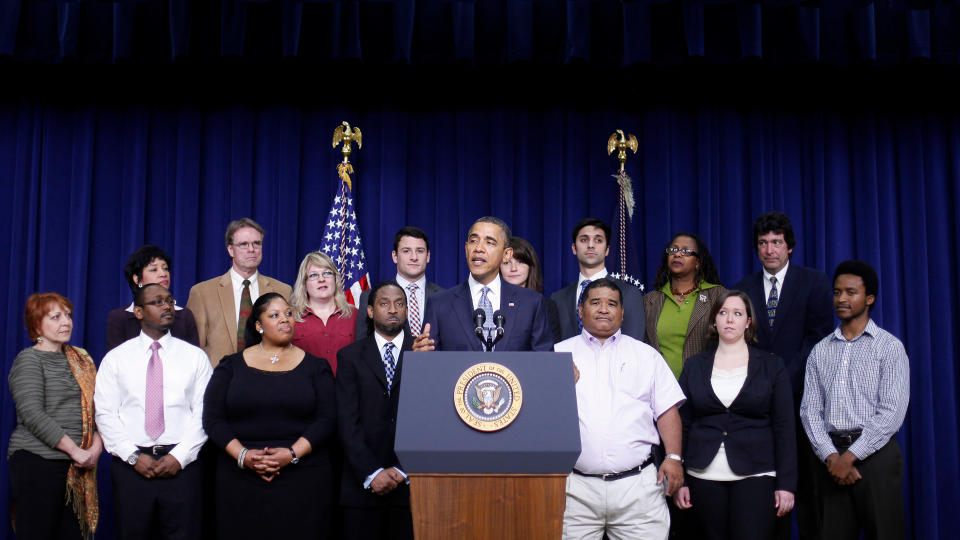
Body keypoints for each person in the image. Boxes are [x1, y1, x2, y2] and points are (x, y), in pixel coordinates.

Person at [555, 279, 685, 539]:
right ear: (580, 311)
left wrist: (673, 458)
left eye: (612, 303)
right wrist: (556, 382)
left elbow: (667, 411)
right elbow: (542, 418)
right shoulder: (558, 355)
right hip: (575, 488)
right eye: (595, 302)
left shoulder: (646, 356)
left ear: (622, 313)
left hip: (638, 490)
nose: (604, 309)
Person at [203, 292, 337, 540]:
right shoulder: (229, 366)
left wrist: (292, 454)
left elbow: (327, 419)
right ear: (258, 325)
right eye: (274, 315)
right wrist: (243, 455)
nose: (285, 319)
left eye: (288, 313)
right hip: (239, 480)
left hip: (303, 479)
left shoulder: (316, 367)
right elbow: (213, 419)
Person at [732, 211, 833, 539]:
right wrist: (765, 386)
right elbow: (740, 342)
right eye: (763, 243)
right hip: (758, 405)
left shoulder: (814, 282)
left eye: (777, 242)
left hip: (804, 401)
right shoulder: (743, 288)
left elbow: (817, 338)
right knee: (765, 495)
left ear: (790, 247)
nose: (769, 249)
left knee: (806, 495)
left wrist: (784, 380)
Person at [673, 290, 797, 540]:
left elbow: (785, 428)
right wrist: (681, 479)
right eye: (723, 313)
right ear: (714, 321)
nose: (730, 319)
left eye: (738, 314)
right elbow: (683, 423)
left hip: (756, 475)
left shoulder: (772, 366)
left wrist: (786, 484)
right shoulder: (694, 366)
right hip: (702, 475)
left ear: (748, 322)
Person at [800, 261, 909, 540]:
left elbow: (891, 412)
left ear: (869, 299)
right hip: (830, 461)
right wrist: (831, 456)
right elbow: (810, 411)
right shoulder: (820, 351)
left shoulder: (889, 348)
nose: (842, 299)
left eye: (851, 292)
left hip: (876, 458)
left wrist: (850, 457)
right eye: (837, 293)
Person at [95, 284, 212, 540]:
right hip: (132, 469)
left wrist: (179, 457)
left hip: (183, 467)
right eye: (157, 302)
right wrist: (134, 457)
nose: (167, 306)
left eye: (169, 300)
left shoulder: (195, 358)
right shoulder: (116, 359)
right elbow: (105, 414)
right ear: (138, 312)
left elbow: (204, 413)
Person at [7, 293, 100, 540]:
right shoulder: (28, 360)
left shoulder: (81, 360)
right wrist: (76, 451)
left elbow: (99, 412)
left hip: (77, 468)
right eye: (56, 317)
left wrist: (94, 452)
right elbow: (32, 415)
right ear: (37, 325)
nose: (66, 322)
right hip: (38, 463)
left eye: (68, 316)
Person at [337, 281, 415, 540]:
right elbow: (347, 422)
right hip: (362, 487)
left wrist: (402, 470)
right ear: (370, 311)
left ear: (407, 310)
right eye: (384, 304)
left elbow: (430, 422)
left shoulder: (425, 353)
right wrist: (372, 472)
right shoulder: (349, 356)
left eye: (399, 304)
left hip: (411, 488)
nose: (392, 310)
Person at [415, 216, 552, 352]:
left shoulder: (531, 303)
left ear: (506, 254)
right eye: (473, 241)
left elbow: (544, 363)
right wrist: (420, 357)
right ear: (466, 248)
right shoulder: (439, 304)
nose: (478, 248)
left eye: (489, 243)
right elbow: (428, 364)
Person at [186, 217, 292, 366]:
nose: (251, 249)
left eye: (256, 243)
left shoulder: (283, 291)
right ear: (230, 250)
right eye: (244, 244)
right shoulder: (202, 293)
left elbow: (287, 344)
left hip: (268, 379)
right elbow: (192, 350)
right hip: (219, 382)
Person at [643, 232, 726, 379]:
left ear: (698, 263)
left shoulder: (717, 296)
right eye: (673, 250)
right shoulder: (650, 300)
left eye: (686, 251)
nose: (677, 254)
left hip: (704, 386)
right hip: (660, 390)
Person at [551, 218, 645, 341]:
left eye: (598, 240)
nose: (590, 245)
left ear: (607, 250)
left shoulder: (629, 294)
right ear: (574, 248)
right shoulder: (558, 298)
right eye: (584, 240)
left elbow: (634, 344)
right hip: (567, 361)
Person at [355, 226, 444, 340]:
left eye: (420, 251)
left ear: (428, 256)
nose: (414, 257)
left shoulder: (445, 297)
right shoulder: (369, 296)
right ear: (395, 256)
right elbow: (362, 346)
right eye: (406, 251)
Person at [106, 244, 200, 351]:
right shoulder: (119, 318)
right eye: (153, 269)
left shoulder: (184, 316)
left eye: (165, 268)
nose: (163, 274)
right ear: (137, 279)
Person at [290, 251, 356, 375]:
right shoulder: (291, 319)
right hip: (306, 391)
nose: (321, 279)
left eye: (327, 273)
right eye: (314, 275)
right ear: (304, 283)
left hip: (347, 392)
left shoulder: (355, 315)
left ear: (335, 279)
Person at [501, 236, 562, 343]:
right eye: (506, 263)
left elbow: (552, 350)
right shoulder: (490, 303)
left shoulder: (547, 306)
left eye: (520, 262)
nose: (513, 268)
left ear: (530, 266)